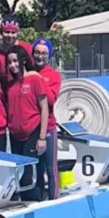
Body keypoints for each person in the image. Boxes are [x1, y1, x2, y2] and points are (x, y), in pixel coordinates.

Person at [5, 45, 48, 202]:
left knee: (31, 173)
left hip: (32, 131)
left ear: (23, 60)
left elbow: (44, 108)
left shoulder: (35, 78)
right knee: (20, 171)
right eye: (10, 62)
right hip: (15, 135)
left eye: (15, 61)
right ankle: (24, 202)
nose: (13, 65)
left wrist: (42, 137)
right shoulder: (10, 84)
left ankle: (35, 203)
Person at [32, 39, 62, 201]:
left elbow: (50, 100)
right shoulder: (27, 71)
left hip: (48, 127)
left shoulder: (53, 75)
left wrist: (38, 81)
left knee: (50, 168)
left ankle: (54, 200)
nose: (40, 56)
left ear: (49, 56)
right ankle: (37, 201)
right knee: (36, 168)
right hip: (32, 127)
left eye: (44, 53)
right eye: (37, 52)